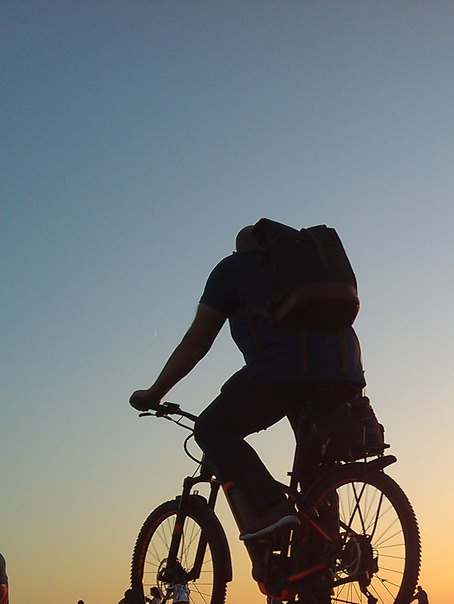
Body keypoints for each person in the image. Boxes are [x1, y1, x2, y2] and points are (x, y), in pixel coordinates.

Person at [129, 222, 365, 542]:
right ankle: (321, 570)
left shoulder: (234, 267)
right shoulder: (308, 267)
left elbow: (195, 342)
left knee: (212, 429)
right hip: (344, 373)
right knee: (316, 478)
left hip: (281, 372)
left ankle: (270, 507)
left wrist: (154, 392)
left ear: (241, 249)